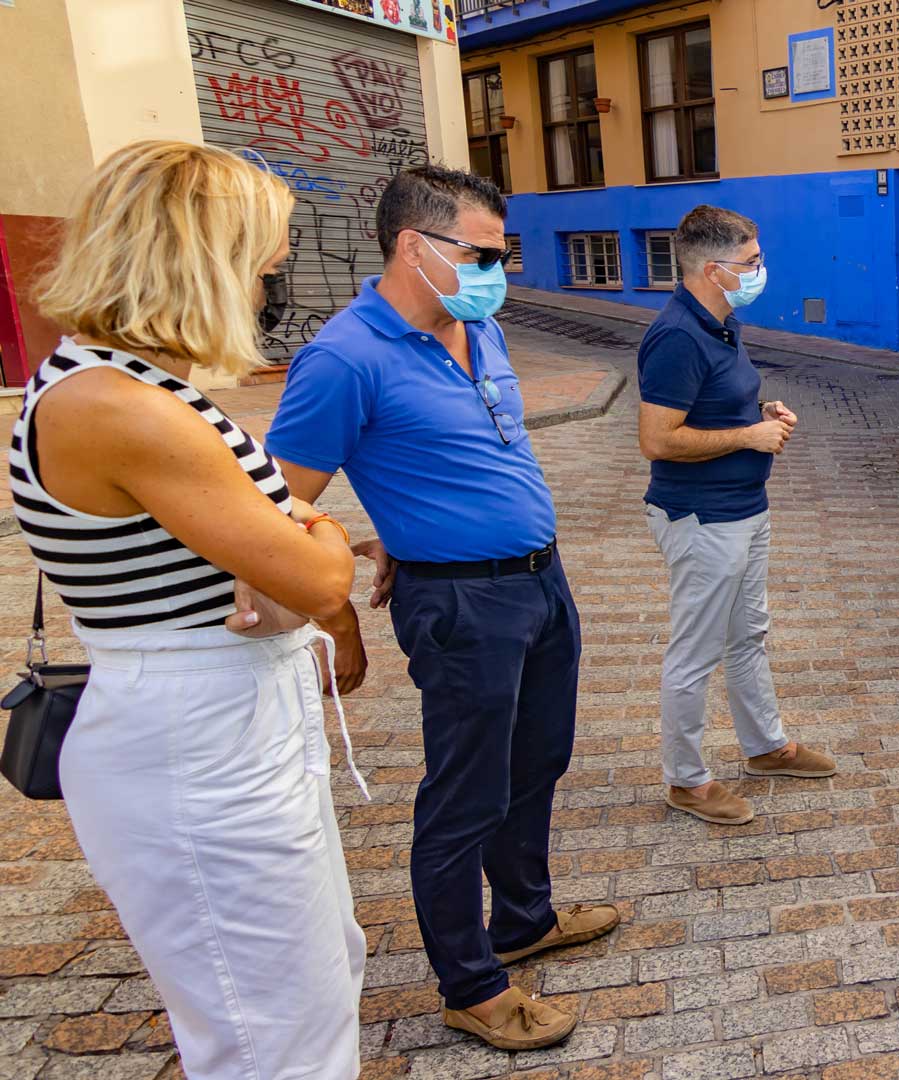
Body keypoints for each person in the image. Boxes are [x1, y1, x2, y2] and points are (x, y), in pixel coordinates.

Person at [17, 141, 361, 1078]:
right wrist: (305, 545)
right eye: (263, 257)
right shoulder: (118, 404)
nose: (269, 278)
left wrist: (290, 541)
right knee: (271, 1033)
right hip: (194, 735)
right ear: (202, 258)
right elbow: (319, 578)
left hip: (226, 719)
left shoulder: (139, 387)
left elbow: (287, 542)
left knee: (316, 986)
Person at [267, 166, 617, 1051]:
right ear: (413, 248)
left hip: (540, 582)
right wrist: (353, 575)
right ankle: (470, 984)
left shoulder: (480, 326)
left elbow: (465, 454)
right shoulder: (344, 358)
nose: (500, 269)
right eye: (485, 253)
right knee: (465, 795)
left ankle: (525, 918)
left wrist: (401, 525)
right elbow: (272, 505)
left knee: (538, 763)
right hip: (462, 606)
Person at [638, 205, 835, 827]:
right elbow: (658, 439)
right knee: (695, 651)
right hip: (702, 517)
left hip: (744, 509)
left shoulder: (722, 324)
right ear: (714, 271)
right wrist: (748, 437)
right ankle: (687, 780)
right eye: (751, 263)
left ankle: (766, 747)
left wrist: (760, 415)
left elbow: (714, 408)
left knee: (748, 635)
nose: (760, 271)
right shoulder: (677, 335)